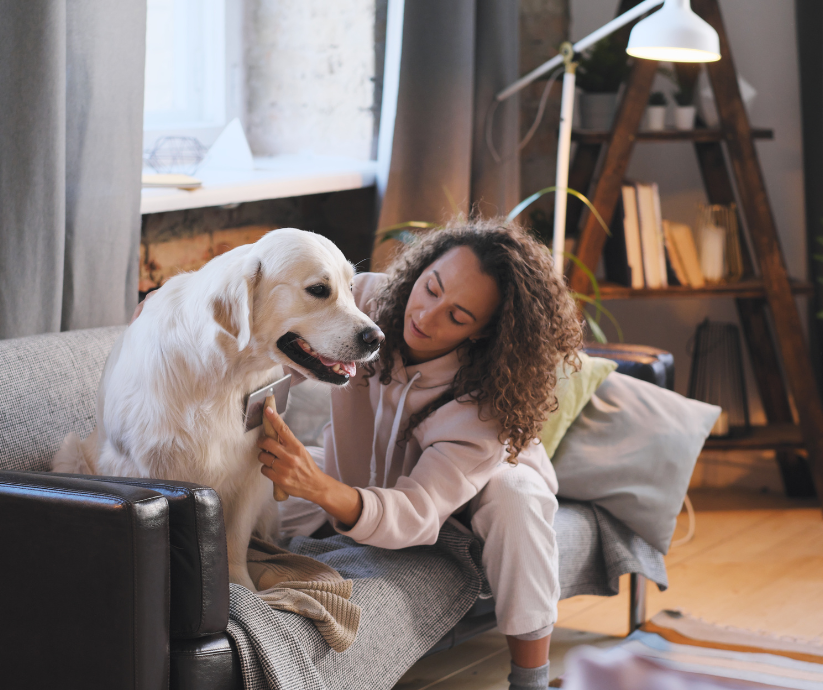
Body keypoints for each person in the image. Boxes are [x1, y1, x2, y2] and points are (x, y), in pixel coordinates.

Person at [257, 219, 583, 690]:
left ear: (482, 333)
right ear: (422, 268)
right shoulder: (359, 302)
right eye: (431, 288)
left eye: (457, 316)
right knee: (257, 490)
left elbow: (417, 513)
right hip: (366, 482)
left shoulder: (486, 408)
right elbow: (268, 305)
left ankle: (531, 678)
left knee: (515, 496)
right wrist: (170, 303)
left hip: (465, 498)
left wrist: (323, 489)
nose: (426, 317)